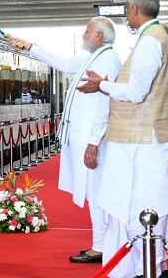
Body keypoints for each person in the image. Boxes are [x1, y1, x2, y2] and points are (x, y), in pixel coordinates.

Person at [78, 0, 168, 277]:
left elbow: (137, 92)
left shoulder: (150, 41)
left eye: (127, 9)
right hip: (148, 139)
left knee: (136, 205)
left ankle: (144, 267)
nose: (127, 15)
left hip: (143, 142)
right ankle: (146, 265)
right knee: (146, 204)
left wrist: (101, 85)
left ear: (134, 9)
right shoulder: (159, 38)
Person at [9, 16, 121, 264]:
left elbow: (106, 104)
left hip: (95, 140)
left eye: (87, 31)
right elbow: (63, 64)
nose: (83, 34)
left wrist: (93, 142)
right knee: (94, 193)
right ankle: (102, 244)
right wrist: (30, 47)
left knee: (98, 193)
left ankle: (103, 247)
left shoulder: (108, 60)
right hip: (85, 138)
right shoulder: (94, 57)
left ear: (99, 36)